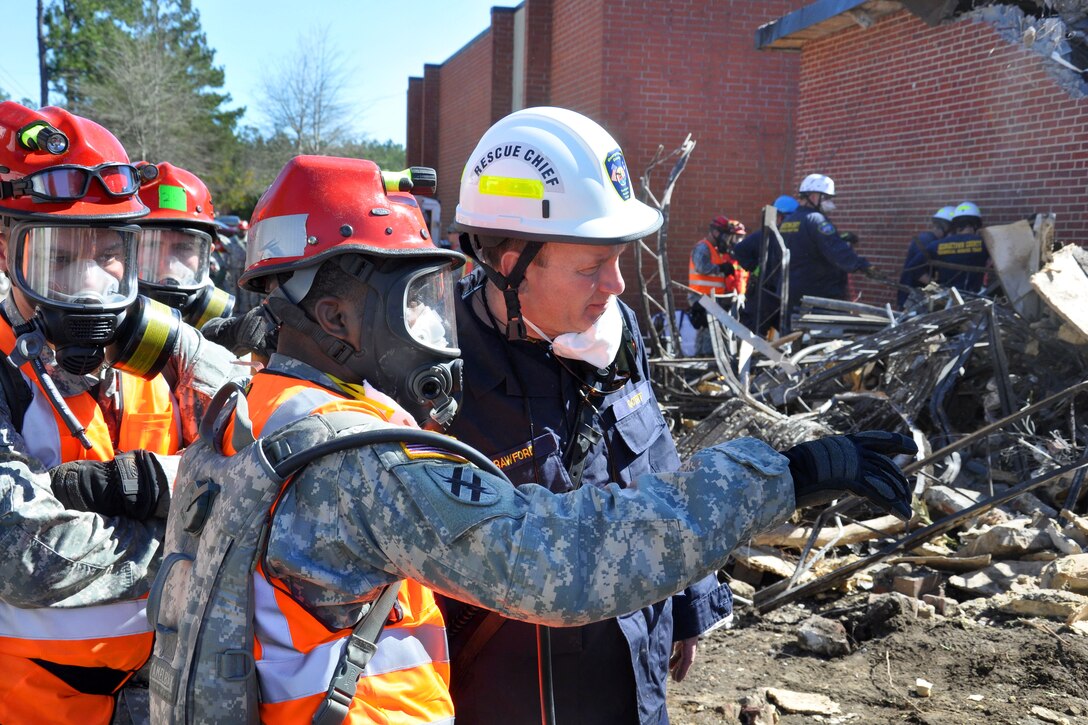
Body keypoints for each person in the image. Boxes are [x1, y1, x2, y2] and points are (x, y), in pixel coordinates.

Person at [148, 151, 917, 723]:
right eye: (411, 302)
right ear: (336, 316)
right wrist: (786, 473)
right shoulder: (355, 457)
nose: (432, 326)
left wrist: (684, 603)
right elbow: (563, 558)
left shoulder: (248, 404)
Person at [445, 107, 732, 724]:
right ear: (511, 259)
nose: (618, 284)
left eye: (620, 258)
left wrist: (689, 599)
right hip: (508, 694)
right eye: (591, 266)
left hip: (632, 672)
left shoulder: (617, 333)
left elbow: (656, 458)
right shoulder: (440, 373)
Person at [0, 101, 238, 724]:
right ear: (5, 252)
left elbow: (270, 455)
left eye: (110, 254)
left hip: (156, 698)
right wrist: (200, 544)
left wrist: (189, 349)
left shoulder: (156, 353)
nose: (88, 285)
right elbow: (24, 555)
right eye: (58, 257)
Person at [134, 162, 235, 328]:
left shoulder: (222, 338)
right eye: (152, 245)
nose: (168, 265)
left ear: (207, 254)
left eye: (184, 248)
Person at [779, 174, 874, 328]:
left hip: (793, 293)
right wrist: (863, 265)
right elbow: (837, 251)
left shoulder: (788, 221)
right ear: (814, 196)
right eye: (827, 198)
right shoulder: (817, 220)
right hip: (818, 295)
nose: (830, 203)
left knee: (795, 338)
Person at [734, 194, 799, 336]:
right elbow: (739, 250)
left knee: (788, 333)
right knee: (752, 335)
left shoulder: (789, 237)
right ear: (780, 217)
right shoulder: (764, 235)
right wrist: (757, 269)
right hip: (761, 294)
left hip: (779, 294)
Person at [688, 216, 748, 356]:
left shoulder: (717, 251)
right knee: (710, 333)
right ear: (715, 233)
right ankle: (705, 361)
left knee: (711, 332)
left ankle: (704, 361)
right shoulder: (703, 247)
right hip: (701, 298)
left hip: (712, 299)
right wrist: (721, 268)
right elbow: (702, 267)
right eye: (725, 235)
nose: (726, 239)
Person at [923, 201, 989, 293]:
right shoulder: (985, 243)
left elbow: (914, 269)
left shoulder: (936, 245)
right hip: (974, 299)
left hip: (944, 300)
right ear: (976, 224)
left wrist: (937, 288)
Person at [896, 206, 955, 307]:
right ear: (945, 227)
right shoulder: (927, 241)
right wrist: (939, 289)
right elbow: (916, 271)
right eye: (952, 231)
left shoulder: (928, 239)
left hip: (912, 294)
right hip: (911, 296)